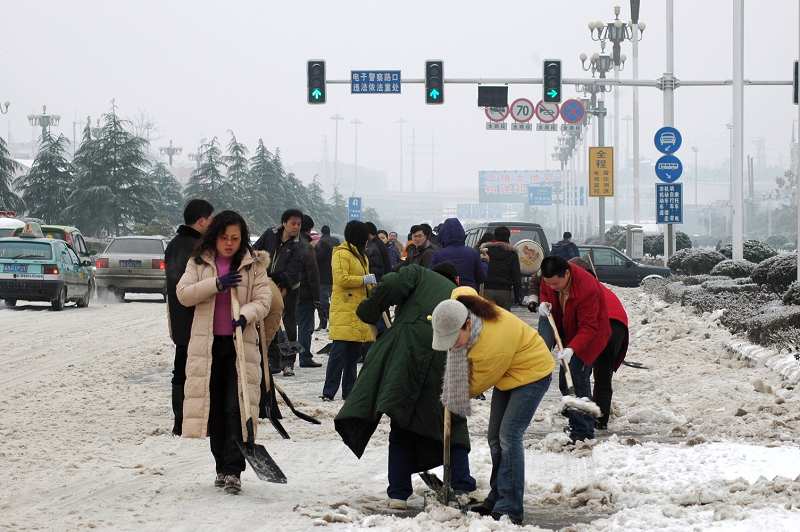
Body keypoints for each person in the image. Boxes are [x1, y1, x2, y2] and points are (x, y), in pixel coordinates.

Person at [334, 263, 476, 509]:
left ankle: (398, 493)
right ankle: (461, 483)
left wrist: (369, 310)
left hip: (407, 352)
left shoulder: (419, 273)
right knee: (452, 419)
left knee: (402, 418)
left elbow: (390, 284)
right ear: (455, 278)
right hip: (448, 356)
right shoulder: (463, 295)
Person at [431, 287, 554, 525]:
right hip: (509, 372)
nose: (452, 345)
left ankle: (510, 508)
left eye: (454, 339)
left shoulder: (491, 345)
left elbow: (472, 386)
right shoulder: (460, 306)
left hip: (533, 372)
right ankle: (497, 497)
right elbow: (461, 291)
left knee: (509, 436)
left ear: (467, 326)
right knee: (494, 438)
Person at [176, 210, 272, 495]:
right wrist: (216, 284)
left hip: (239, 348)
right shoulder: (199, 262)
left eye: (235, 238)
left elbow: (263, 300)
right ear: (214, 236)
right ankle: (221, 466)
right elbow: (184, 294)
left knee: (236, 407)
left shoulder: (252, 266)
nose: (229, 243)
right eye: (224, 237)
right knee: (215, 410)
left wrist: (245, 315)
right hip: (207, 348)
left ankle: (234, 470)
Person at [538, 256, 610, 443]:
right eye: (548, 283)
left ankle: (584, 431)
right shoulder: (550, 280)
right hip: (568, 334)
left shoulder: (587, 288)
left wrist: (572, 349)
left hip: (589, 338)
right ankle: (576, 423)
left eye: (555, 283)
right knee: (565, 383)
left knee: (578, 380)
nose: (552, 287)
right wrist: (545, 303)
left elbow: (589, 327)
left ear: (567, 274)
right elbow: (546, 291)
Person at [164, 199, 214, 435]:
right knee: (191, 370)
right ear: (202, 220)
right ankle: (185, 421)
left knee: (181, 368)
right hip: (195, 317)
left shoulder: (174, 244)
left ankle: (180, 421)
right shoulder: (196, 248)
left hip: (179, 317)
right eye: (210, 219)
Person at [569, 257, 629, 430]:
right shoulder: (598, 286)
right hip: (617, 327)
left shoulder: (576, 287)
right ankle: (600, 419)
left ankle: (583, 419)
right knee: (603, 377)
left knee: (580, 374)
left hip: (599, 326)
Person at [321, 221, 377, 401]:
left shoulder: (362, 256)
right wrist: (364, 279)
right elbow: (341, 279)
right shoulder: (341, 253)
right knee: (338, 352)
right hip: (344, 309)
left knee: (353, 354)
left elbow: (365, 282)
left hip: (358, 309)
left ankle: (349, 391)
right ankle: (329, 392)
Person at [253, 209, 305, 373]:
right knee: (269, 321)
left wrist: (284, 287)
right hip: (265, 284)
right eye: (293, 223)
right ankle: (272, 360)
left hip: (287, 288)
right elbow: (255, 250)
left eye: (299, 224)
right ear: (284, 223)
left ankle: (289, 361)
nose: (296, 227)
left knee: (288, 324)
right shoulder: (270, 234)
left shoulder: (298, 244)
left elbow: (294, 269)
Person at [295, 214, 322, 369]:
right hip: (305, 294)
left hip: (290, 292)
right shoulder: (307, 247)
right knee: (306, 327)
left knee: (291, 325)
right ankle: (304, 357)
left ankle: (287, 359)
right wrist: (317, 297)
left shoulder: (290, 243)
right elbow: (313, 274)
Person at [430, 218, 486, 290]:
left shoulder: (438, 255)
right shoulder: (473, 253)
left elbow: (432, 278)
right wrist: (484, 262)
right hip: (468, 294)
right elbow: (481, 278)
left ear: (443, 234)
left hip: (447, 293)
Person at [480, 226, 522, 310]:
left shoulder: (486, 251)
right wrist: (518, 297)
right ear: (508, 237)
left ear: (495, 236)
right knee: (504, 319)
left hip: (488, 289)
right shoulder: (512, 253)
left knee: (489, 318)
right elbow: (516, 275)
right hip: (505, 291)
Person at [315, 225, 339, 331]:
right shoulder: (336, 241)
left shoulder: (320, 242)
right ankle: (333, 322)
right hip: (335, 275)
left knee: (322, 302)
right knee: (334, 301)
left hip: (323, 277)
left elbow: (317, 258)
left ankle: (323, 322)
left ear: (322, 232)